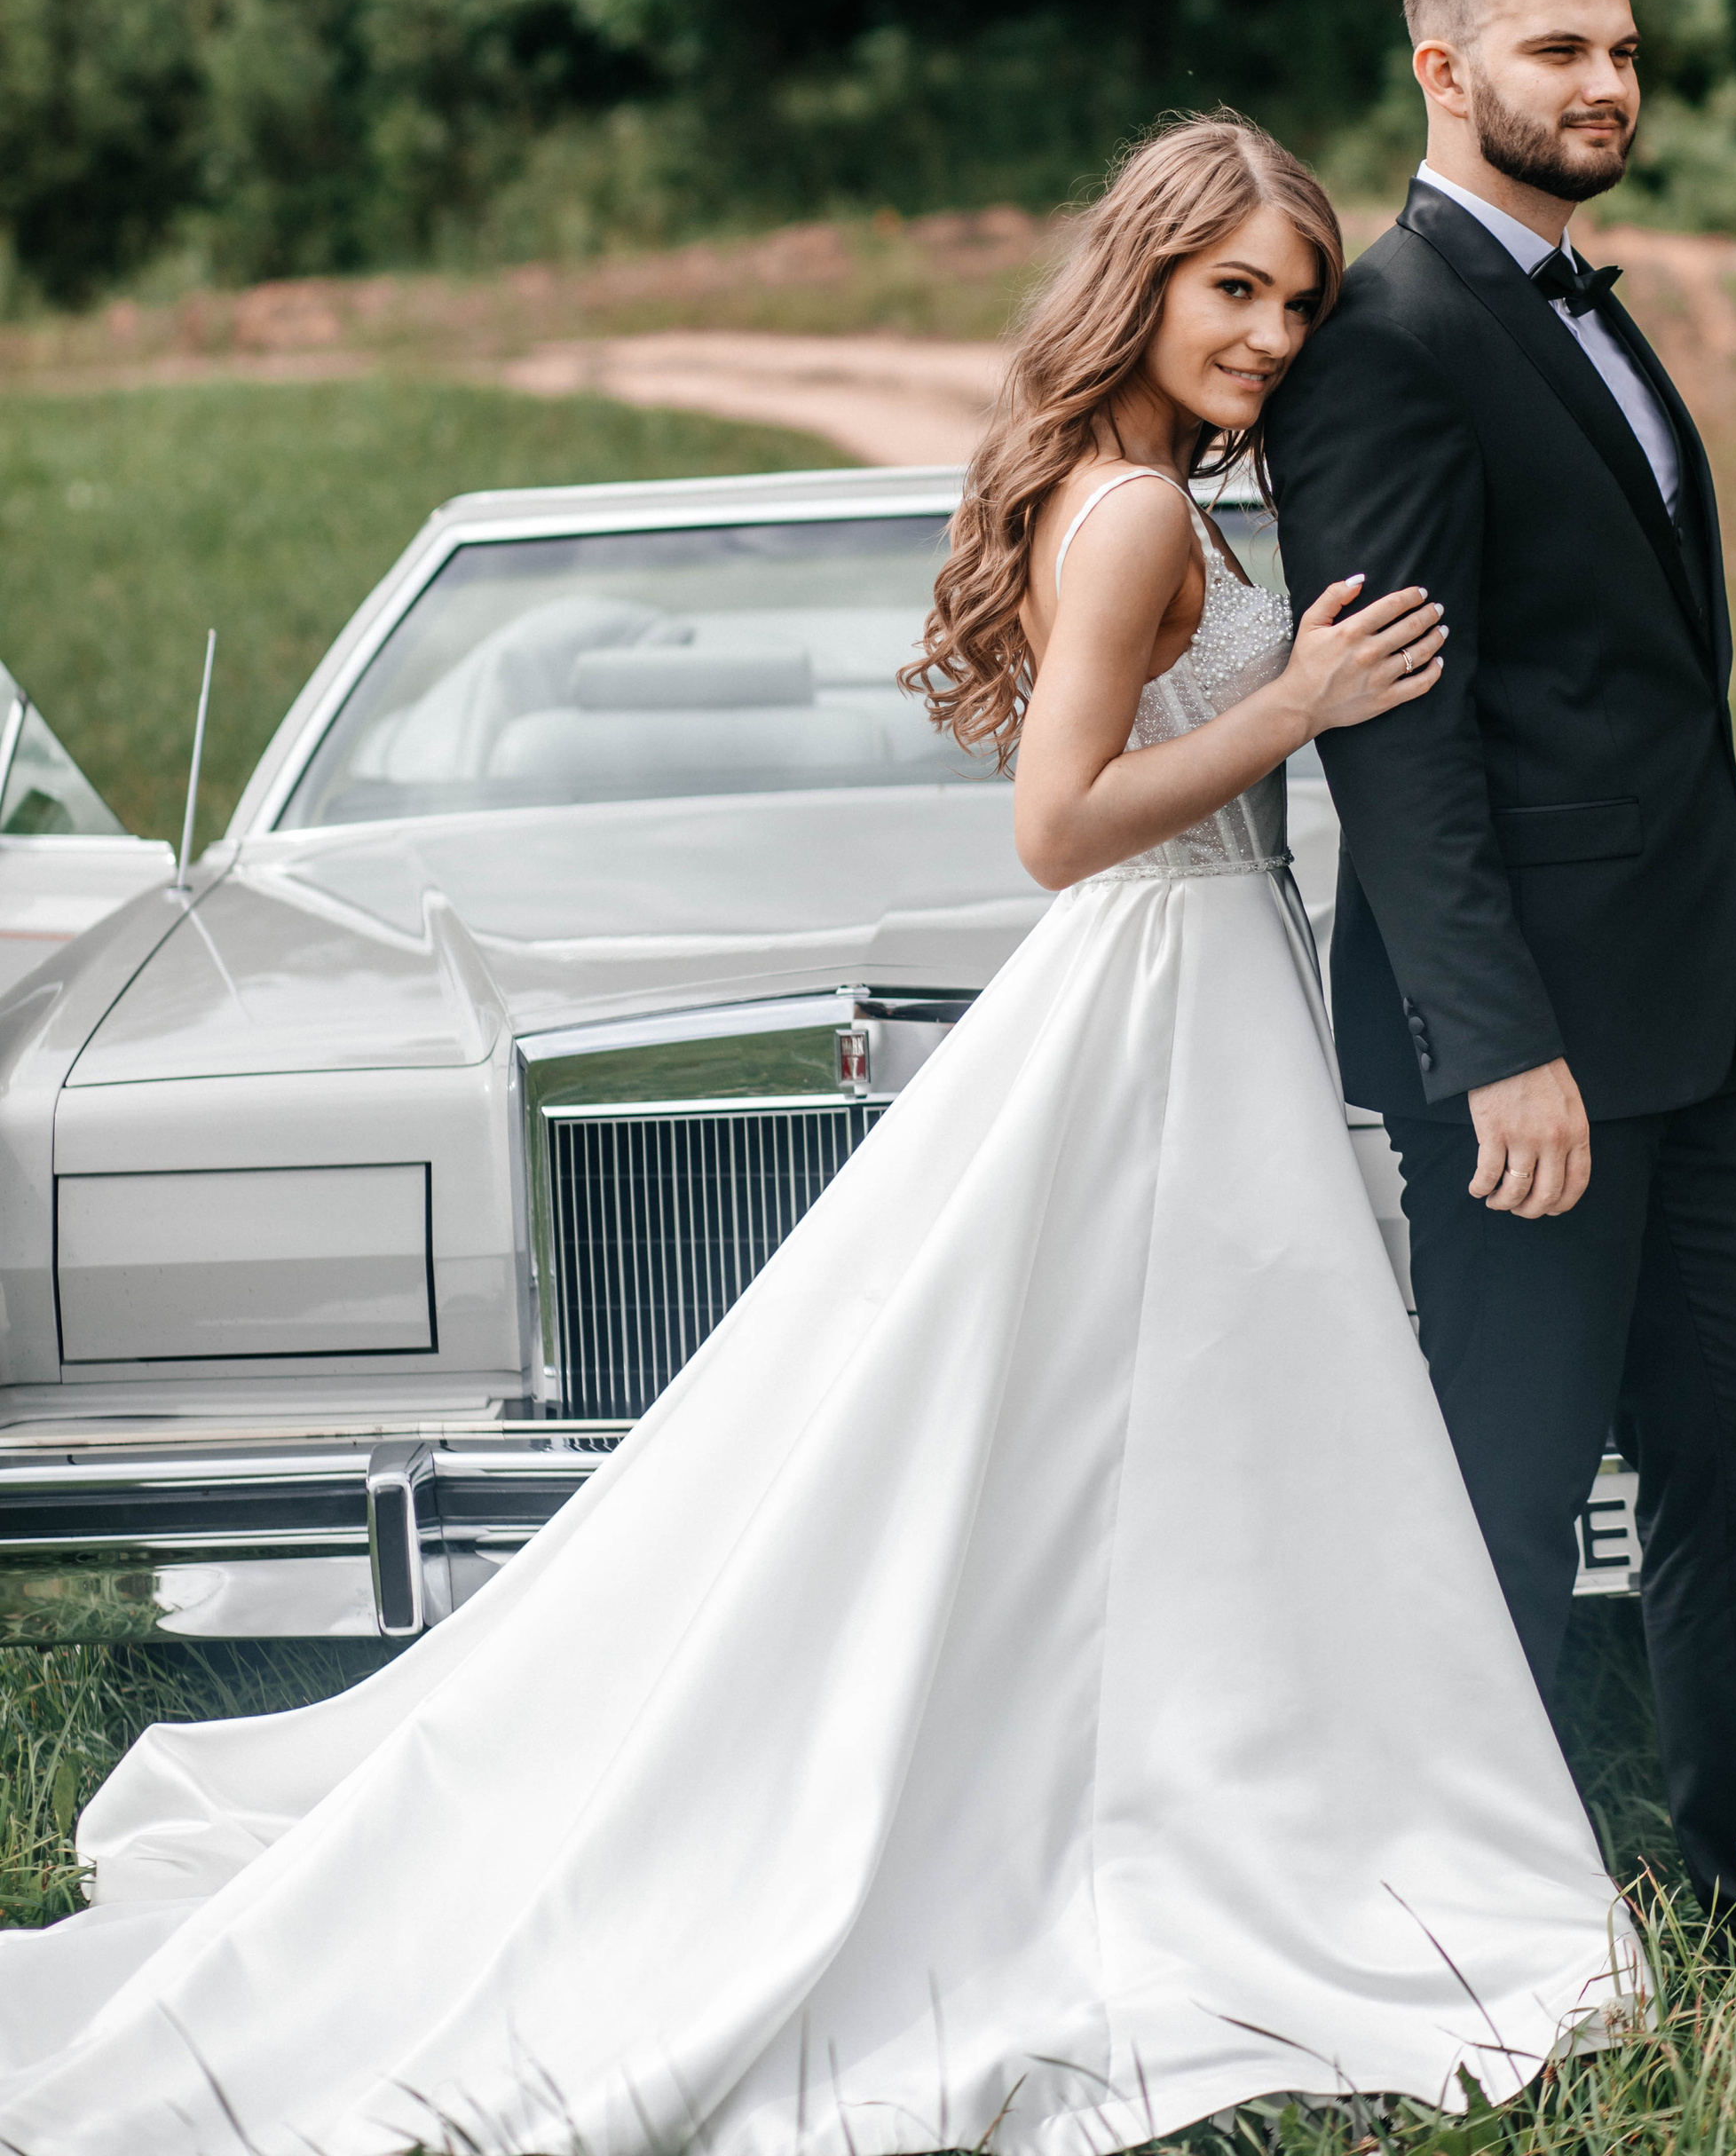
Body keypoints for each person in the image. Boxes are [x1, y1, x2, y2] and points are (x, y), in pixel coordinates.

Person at [0, 115, 1637, 2156]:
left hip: (1211, 982)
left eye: (1298, 300)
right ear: (1142, 278)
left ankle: (1208, 1786)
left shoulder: (1161, 493)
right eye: (1234, 288)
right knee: (1162, 1405)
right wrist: (1289, 708)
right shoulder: (1131, 515)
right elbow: (1057, 830)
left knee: (1162, 1424)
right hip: (1157, 977)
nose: (1272, 330)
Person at [1268, 0, 1736, 1958]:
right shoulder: (1387, 339)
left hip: (1685, 1028)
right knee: (1504, 1515)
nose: (1603, 83)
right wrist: (1487, 1042)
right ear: (1443, 73)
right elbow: (1402, 739)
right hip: (1525, 1065)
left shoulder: (1582, 307)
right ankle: (1475, 1946)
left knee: (1731, 1478)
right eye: (1555, 54)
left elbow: (1646, 692)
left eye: (1617, 48)